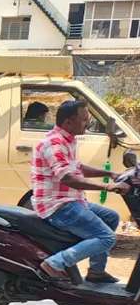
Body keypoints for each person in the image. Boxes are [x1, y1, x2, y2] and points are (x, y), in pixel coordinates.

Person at [31, 100, 131, 283]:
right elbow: (68, 178)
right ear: (69, 122)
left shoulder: (67, 139)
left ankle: (96, 272)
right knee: (106, 238)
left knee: (111, 217)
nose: (88, 123)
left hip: (71, 201)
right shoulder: (55, 144)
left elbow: (77, 168)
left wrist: (110, 174)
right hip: (58, 206)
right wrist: (107, 187)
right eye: (84, 119)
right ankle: (55, 263)